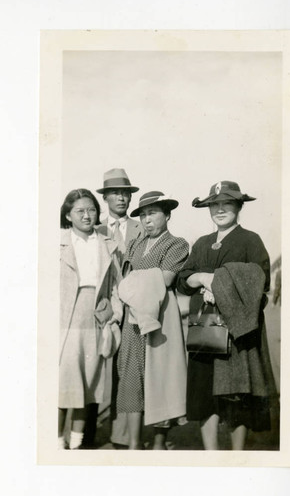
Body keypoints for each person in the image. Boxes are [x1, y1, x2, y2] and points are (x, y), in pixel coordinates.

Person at [177, 181, 277, 450]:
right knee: (203, 392)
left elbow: (260, 281)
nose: (220, 209)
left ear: (239, 206)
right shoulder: (202, 243)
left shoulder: (250, 240)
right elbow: (183, 281)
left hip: (238, 330)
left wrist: (219, 283)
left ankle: (237, 456)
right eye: (214, 204)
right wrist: (200, 277)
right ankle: (211, 456)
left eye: (227, 203)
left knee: (237, 394)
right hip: (205, 327)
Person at [116, 191, 189, 449]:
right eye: (143, 215)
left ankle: (159, 441)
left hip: (161, 315)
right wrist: (135, 282)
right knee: (132, 375)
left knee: (161, 375)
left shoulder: (177, 244)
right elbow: (124, 279)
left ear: (167, 215)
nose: (147, 220)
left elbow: (166, 278)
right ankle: (134, 443)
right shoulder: (135, 243)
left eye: (153, 213)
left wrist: (131, 283)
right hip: (132, 317)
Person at [59, 188, 123, 449]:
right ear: (68, 215)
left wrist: (114, 314)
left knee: (89, 383)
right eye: (80, 211)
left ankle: (75, 447)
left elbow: (118, 286)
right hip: (65, 319)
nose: (87, 215)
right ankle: (55, 444)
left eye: (92, 210)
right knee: (63, 382)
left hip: (95, 319)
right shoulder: (57, 244)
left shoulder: (107, 243)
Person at [91, 168, 143, 448]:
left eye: (125, 193)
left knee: (129, 373)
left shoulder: (140, 227)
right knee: (98, 372)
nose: (121, 198)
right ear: (106, 197)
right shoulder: (95, 229)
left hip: (134, 311)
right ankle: (85, 436)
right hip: (102, 312)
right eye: (115, 193)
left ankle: (123, 437)